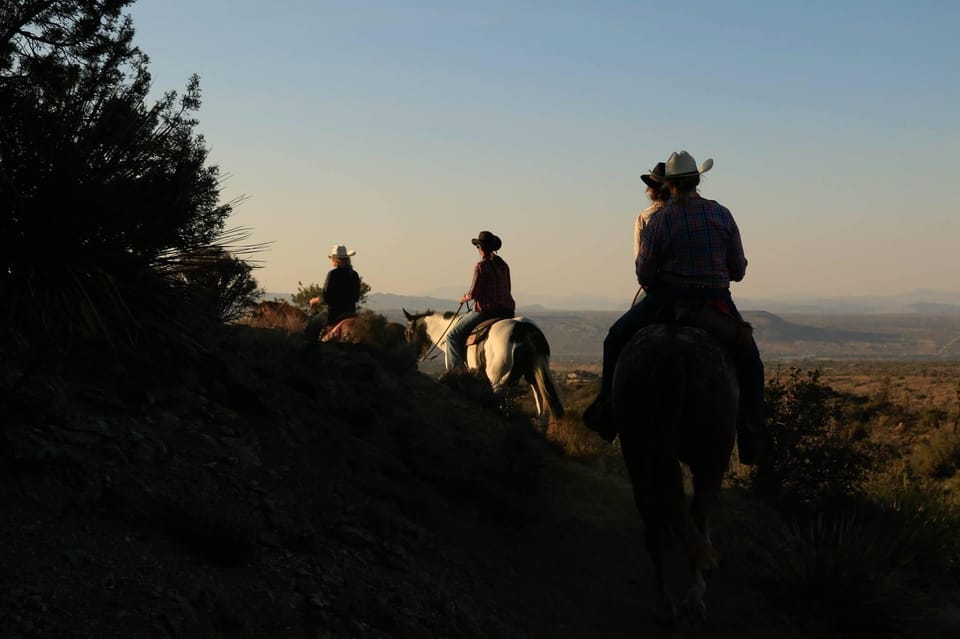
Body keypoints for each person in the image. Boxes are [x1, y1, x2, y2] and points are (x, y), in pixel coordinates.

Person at [583, 151, 768, 464]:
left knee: (615, 338)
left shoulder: (660, 220)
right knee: (751, 360)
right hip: (716, 301)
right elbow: (738, 270)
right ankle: (752, 433)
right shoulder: (722, 215)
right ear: (698, 180)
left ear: (669, 184)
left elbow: (644, 274)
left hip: (668, 299)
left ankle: (607, 410)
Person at [445, 231, 516, 371]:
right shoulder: (504, 266)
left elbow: (473, 294)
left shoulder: (481, 267)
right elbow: (508, 288)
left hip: (487, 311)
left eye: (478, 246)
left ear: (481, 248)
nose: (477, 249)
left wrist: (463, 298)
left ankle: (457, 374)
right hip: (507, 311)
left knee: (451, 337)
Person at [321, 244, 361, 326]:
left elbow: (325, 295)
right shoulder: (354, 274)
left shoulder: (332, 274)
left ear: (335, 260)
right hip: (351, 312)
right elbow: (356, 297)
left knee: (315, 323)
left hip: (334, 315)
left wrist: (316, 300)